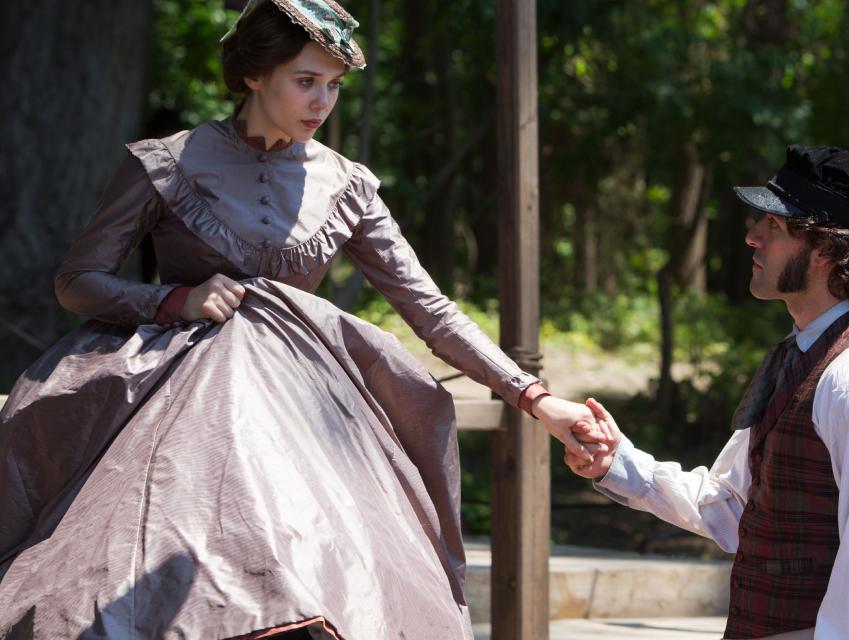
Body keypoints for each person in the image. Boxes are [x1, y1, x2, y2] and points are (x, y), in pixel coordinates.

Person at [0, 1, 599, 638]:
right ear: (255, 74)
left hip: (306, 399)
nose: (323, 102)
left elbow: (429, 308)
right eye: (305, 81)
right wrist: (173, 300)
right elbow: (77, 282)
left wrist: (535, 400)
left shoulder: (347, 183)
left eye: (334, 86)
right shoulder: (167, 162)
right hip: (175, 392)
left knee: (331, 567)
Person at [566, 145, 849, 640]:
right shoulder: (800, 355)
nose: (751, 238)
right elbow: (735, 508)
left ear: (828, 250)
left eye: (775, 228)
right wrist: (619, 463)